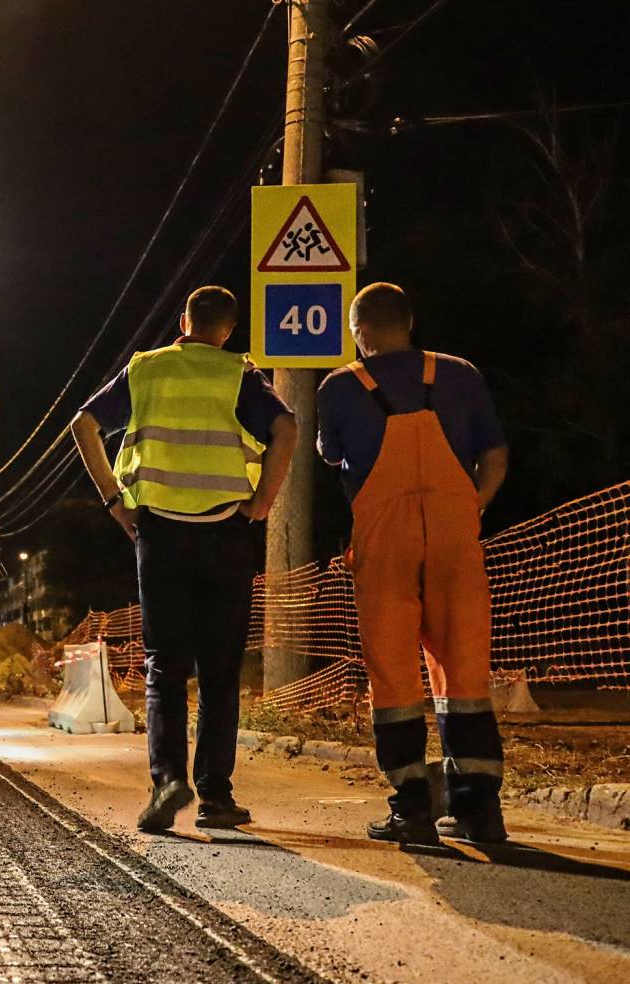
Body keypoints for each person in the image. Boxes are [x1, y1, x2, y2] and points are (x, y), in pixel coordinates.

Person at [73, 286, 297, 833]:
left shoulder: (146, 370)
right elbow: (286, 427)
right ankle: (217, 798)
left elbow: (83, 424)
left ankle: (168, 781)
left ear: (184, 320)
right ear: (228, 329)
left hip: (160, 534)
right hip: (226, 532)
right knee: (221, 671)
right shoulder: (238, 375)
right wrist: (263, 501)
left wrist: (113, 501)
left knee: (163, 666)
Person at [317, 282, 509, 845]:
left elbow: (333, 455)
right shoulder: (461, 373)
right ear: (409, 320)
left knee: (393, 673)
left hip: (384, 542)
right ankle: (478, 811)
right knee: (466, 671)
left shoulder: (340, 387)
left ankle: (413, 810)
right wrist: (470, 506)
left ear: (360, 331)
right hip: (455, 536)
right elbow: (495, 456)